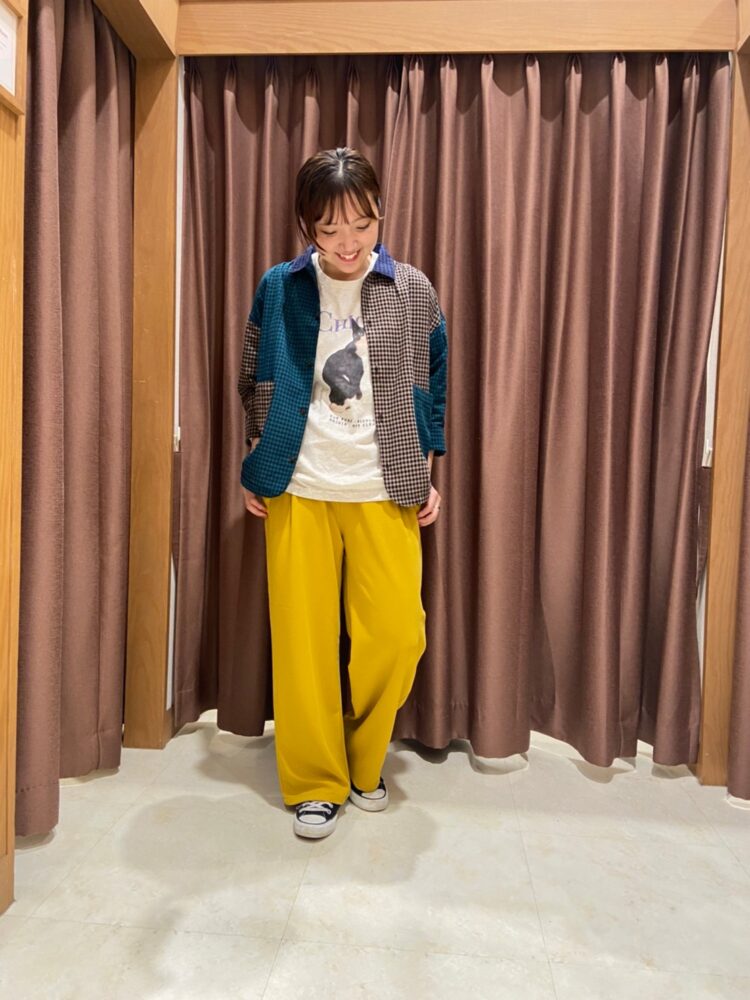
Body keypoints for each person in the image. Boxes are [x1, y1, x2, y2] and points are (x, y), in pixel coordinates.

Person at [237, 147, 448, 839]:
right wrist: (258, 453)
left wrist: (429, 462)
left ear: (380, 215)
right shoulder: (281, 285)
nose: (348, 242)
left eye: (362, 223)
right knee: (302, 644)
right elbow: (254, 371)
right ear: (308, 227)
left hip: (385, 484)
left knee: (397, 635)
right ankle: (314, 782)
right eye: (330, 229)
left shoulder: (411, 288)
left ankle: (364, 757)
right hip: (298, 484)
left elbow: (432, 377)